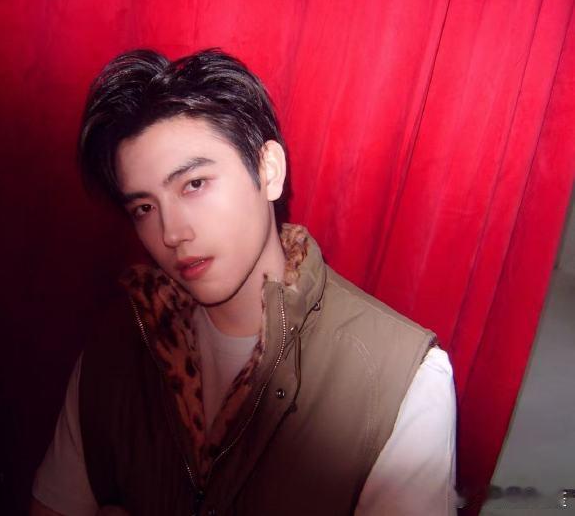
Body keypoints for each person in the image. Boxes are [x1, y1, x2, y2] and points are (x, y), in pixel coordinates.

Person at [30, 48, 457, 516]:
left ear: (268, 170)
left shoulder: (403, 378)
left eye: (194, 184)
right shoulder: (116, 345)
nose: (171, 233)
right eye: (144, 208)